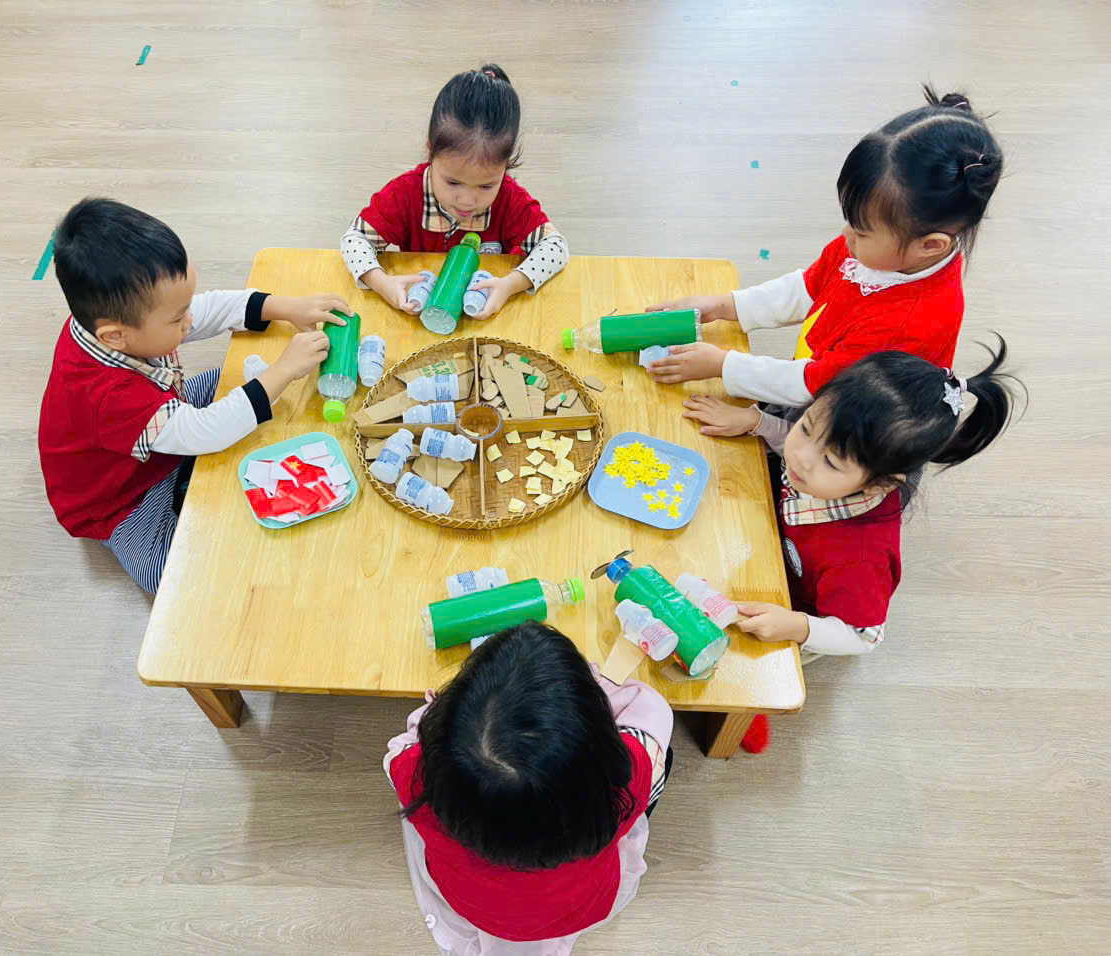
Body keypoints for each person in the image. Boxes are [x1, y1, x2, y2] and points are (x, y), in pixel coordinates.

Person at [38, 197, 347, 592]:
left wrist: (285, 307)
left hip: (161, 421)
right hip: (125, 496)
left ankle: (200, 456)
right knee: (170, 579)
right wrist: (283, 371)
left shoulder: (113, 325)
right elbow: (204, 432)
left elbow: (210, 308)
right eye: (177, 318)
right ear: (115, 336)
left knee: (228, 383)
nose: (190, 320)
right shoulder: (107, 396)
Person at [647, 87, 1004, 408]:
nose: (847, 235)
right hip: (820, 383)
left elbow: (815, 385)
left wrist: (723, 365)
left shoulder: (910, 323)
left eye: (862, 231)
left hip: (849, 423)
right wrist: (724, 305)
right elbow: (810, 287)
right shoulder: (875, 252)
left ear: (930, 245)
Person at [683, 337, 1021, 662]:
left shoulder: (860, 559)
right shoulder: (823, 465)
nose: (801, 456)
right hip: (773, 552)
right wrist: (756, 421)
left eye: (831, 461)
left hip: (798, 618)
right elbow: (812, 442)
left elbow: (864, 636)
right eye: (806, 426)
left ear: (879, 485)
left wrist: (797, 626)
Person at [384, 622, 672, 955]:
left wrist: (433, 712)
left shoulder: (417, 780)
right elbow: (653, 708)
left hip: (474, 906)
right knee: (660, 762)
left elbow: (402, 746)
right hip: (580, 906)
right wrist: (595, 683)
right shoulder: (619, 786)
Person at [340, 64, 569, 321]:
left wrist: (510, 285)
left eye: (486, 186)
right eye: (452, 182)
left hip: (485, 319)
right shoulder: (406, 194)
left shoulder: (508, 198)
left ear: (505, 167)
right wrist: (380, 282)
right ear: (431, 152)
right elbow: (355, 239)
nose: (467, 201)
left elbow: (556, 248)